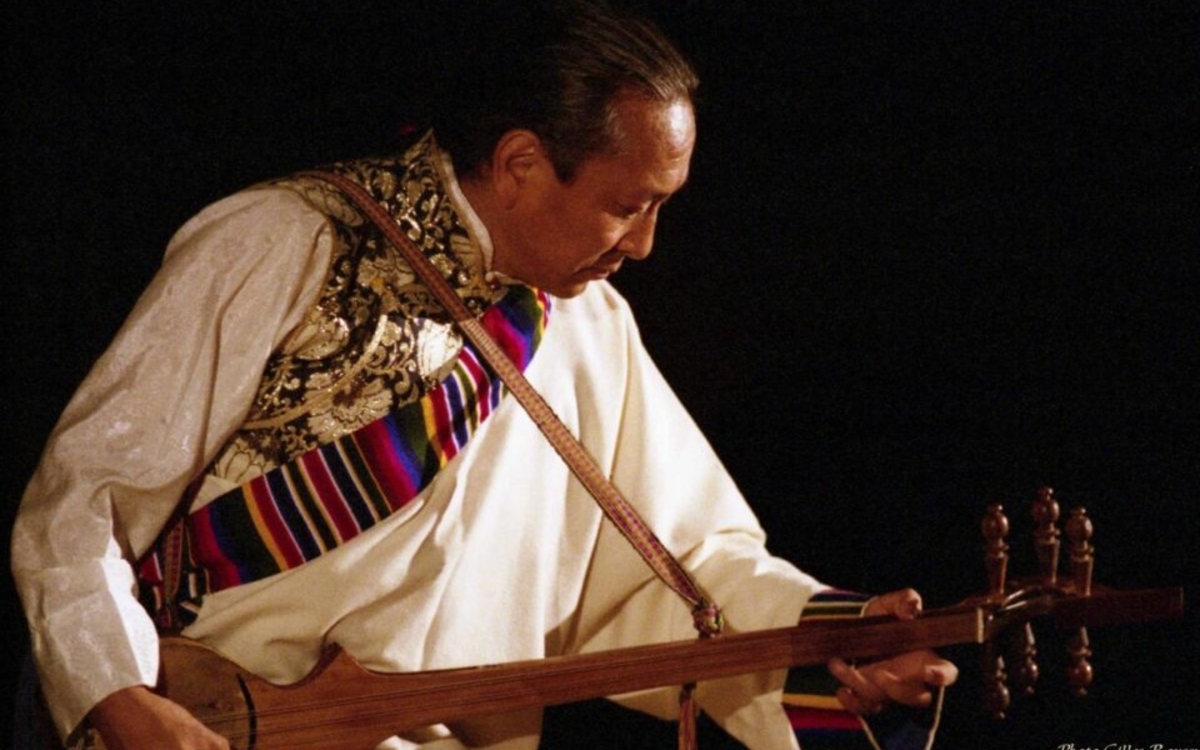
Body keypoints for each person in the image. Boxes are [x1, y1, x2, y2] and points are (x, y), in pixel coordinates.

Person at [11, 2, 956, 749]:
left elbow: (680, 576)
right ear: (520, 163)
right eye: (628, 206)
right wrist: (118, 697)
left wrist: (834, 641)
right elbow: (80, 506)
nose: (646, 243)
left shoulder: (587, 329)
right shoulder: (279, 242)